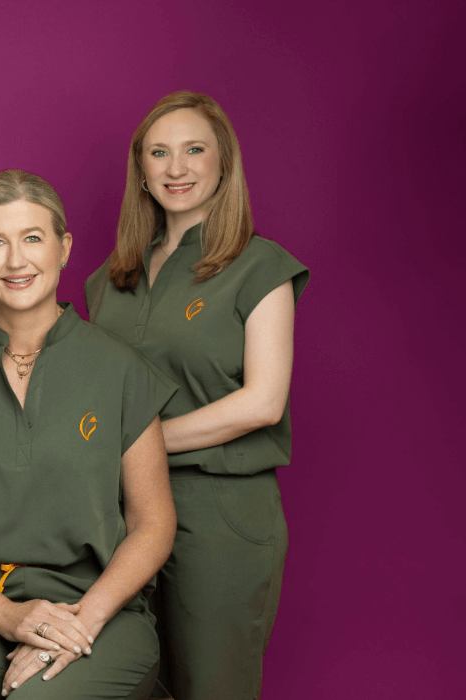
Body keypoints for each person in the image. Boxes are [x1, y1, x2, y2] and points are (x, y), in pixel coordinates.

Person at [0, 170, 177, 699]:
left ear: (64, 247)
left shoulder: (119, 369)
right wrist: (4, 615)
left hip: (95, 606)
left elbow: (152, 523)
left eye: (32, 238)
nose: (16, 260)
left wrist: (78, 625)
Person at [84, 91, 309, 700]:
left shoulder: (260, 268)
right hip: (116, 517)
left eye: (194, 150)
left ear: (223, 163)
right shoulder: (107, 281)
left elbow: (263, 401)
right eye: (159, 153)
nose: (176, 168)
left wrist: (138, 445)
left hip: (219, 514)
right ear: (141, 171)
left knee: (211, 688)